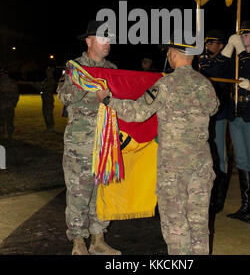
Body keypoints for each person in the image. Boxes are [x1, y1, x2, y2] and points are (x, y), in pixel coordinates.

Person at [97, 36, 219, 255]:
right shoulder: (205, 83)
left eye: (169, 52)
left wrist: (108, 100)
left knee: (176, 224)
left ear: (173, 54)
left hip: (173, 168)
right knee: (199, 224)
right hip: (201, 165)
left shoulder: (165, 85)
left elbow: (137, 113)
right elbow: (213, 109)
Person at [57, 20, 121, 256]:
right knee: (78, 193)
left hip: (106, 144)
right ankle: (78, 242)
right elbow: (63, 97)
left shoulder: (113, 69)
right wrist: (87, 86)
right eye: (103, 38)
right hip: (80, 144)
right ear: (89, 41)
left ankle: (98, 238)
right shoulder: (74, 67)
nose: (108, 43)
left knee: (101, 193)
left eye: (110, 39)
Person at [203, 21, 250, 224]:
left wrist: (241, 50)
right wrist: (229, 49)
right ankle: (246, 205)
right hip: (235, 111)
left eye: (247, 34)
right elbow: (214, 71)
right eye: (240, 34)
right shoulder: (235, 60)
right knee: (241, 160)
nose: (242, 37)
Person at [199, 30, 231, 213]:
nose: (208, 46)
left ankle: (219, 199)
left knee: (220, 155)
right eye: (206, 43)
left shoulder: (224, 61)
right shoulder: (202, 60)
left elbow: (216, 71)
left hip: (219, 113)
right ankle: (208, 196)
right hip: (203, 115)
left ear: (220, 45)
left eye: (212, 43)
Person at [33, 66, 57, 131]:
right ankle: (48, 127)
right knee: (45, 113)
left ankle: (51, 127)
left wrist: (37, 85)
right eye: (47, 71)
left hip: (48, 99)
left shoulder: (51, 80)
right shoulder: (47, 79)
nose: (47, 73)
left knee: (48, 113)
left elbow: (42, 87)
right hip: (45, 98)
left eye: (49, 71)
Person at [0, 68, 19, 140]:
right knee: (2, 122)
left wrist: (14, 103)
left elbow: (16, 94)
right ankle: (3, 135)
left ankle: (9, 136)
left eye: (3, 74)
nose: (2, 75)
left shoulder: (12, 83)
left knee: (9, 121)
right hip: (3, 106)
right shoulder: (2, 82)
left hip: (8, 106)